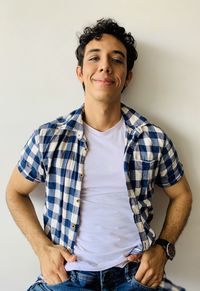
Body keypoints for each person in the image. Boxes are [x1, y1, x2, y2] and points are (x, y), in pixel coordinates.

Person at [6, 18, 192, 291]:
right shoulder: (49, 137)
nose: (105, 65)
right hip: (66, 278)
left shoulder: (152, 138)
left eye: (117, 59)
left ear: (127, 76)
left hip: (136, 278)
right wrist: (42, 248)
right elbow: (14, 192)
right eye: (95, 58)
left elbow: (182, 195)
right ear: (80, 72)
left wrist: (163, 248)